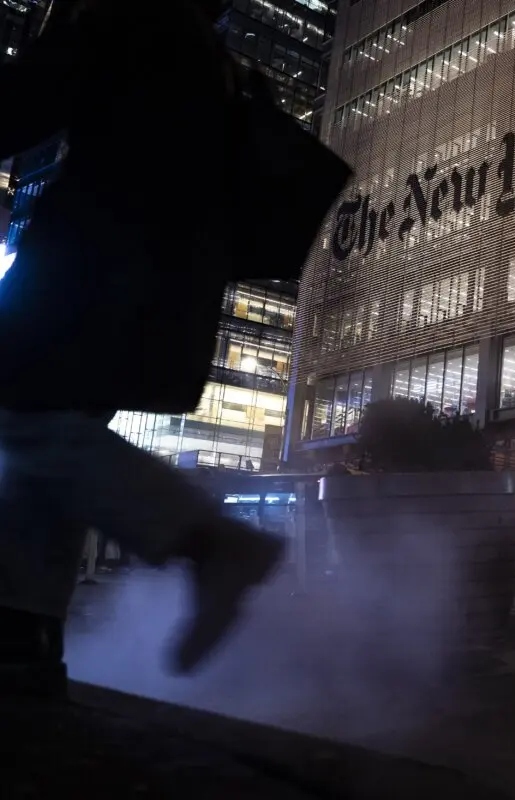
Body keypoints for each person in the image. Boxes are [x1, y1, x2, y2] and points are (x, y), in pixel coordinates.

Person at [0, 0, 289, 693]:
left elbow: (19, 105)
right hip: (155, 293)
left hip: (87, 271)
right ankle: (22, 638)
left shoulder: (130, 19)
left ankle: (211, 543)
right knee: (49, 443)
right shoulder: (218, 64)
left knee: (27, 424)